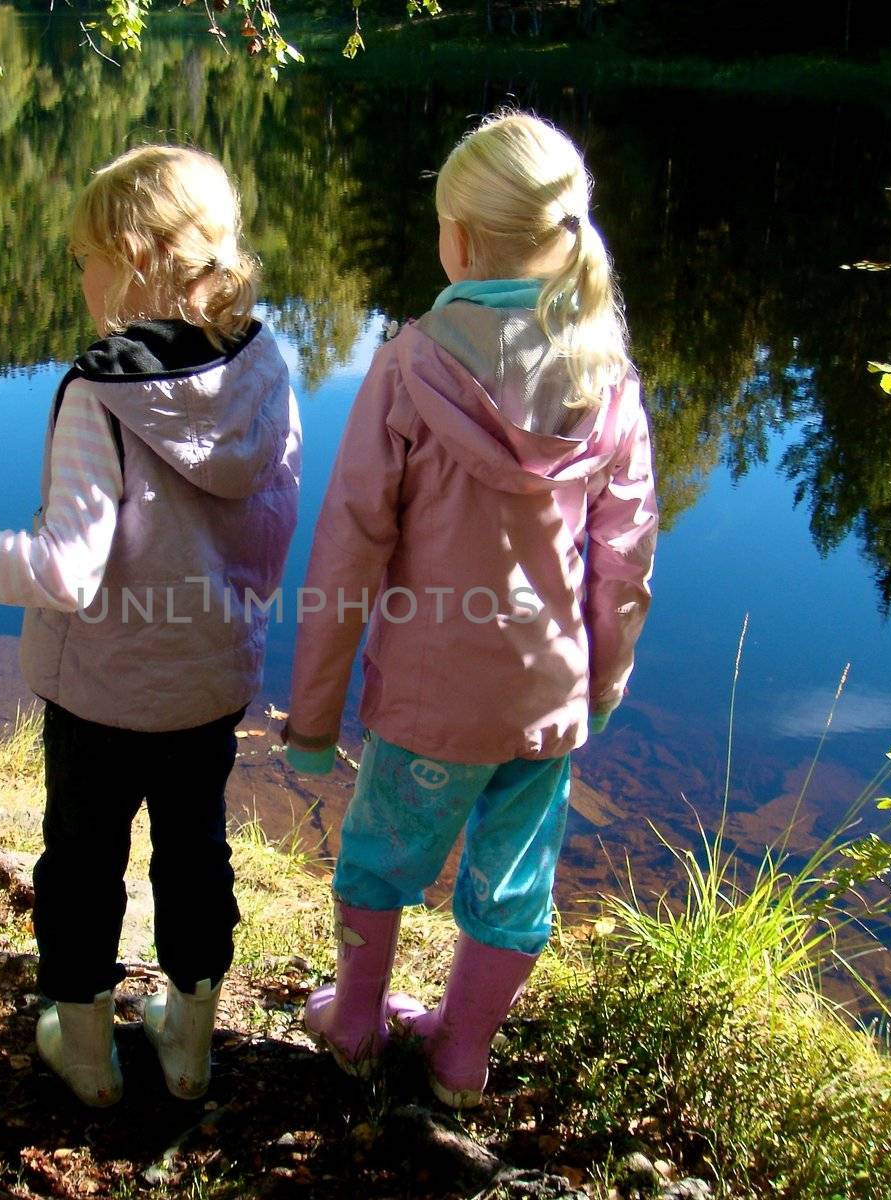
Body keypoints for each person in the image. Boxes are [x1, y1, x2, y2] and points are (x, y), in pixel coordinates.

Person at [0, 144, 300, 1107]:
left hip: (102, 694)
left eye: (85, 257)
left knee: (83, 864)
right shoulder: (261, 364)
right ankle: (189, 1044)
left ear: (132, 256)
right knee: (196, 853)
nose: (80, 276)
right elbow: (277, 517)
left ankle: (86, 1054)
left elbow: (61, 572)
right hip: (210, 680)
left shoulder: (100, 394)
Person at [282, 112, 657, 1108]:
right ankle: (459, 1060)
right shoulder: (606, 378)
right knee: (514, 878)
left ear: (456, 239)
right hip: (544, 697)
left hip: (430, 700)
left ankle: (355, 1026)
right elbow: (623, 566)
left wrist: (313, 716)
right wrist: (603, 682)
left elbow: (348, 546)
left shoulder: (409, 365)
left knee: (378, 855)